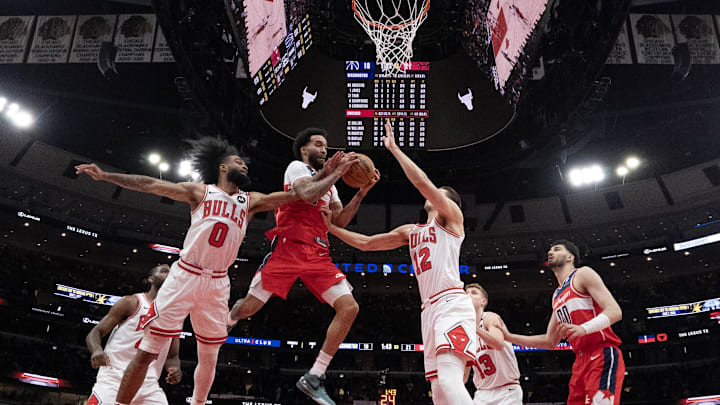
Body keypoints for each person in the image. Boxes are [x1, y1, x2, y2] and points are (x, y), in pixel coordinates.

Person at [76, 136, 316, 405]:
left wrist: (332, 173)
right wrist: (106, 176)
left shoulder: (251, 201)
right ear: (222, 167)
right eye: (238, 161)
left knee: (210, 354)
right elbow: (149, 184)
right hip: (186, 274)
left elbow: (300, 195)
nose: (245, 166)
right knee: (148, 351)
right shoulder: (200, 192)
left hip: (218, 281)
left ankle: (198, 403)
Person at [320, 120, 476, 405]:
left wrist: (392, 148)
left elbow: (421, 183)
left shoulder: (452, 218)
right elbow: (367, 244)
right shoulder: (411, 232)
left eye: (439, 193)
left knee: (451, 381)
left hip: (452, 303)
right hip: (428, 310)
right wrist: (332, 229)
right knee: (440, 392)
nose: (434, 194)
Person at [227, 128, 377, 405]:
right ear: (303, 149)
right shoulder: (296, 168)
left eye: (326, 145)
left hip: (318, 252)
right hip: (289, 246)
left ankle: (315, 375)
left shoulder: (331, 185)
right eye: (318, 145)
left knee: (350, 307)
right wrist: (335, 172)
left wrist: (361, 192)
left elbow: (340, 222)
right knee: (248, 308)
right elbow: (306, 194)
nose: (324, 149)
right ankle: (227, 320)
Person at [502, 240, 624, 405]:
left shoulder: (582, 274)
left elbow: (615, 312)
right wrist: (508, 337)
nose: (550, 252)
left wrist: (583, 328)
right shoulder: (556, 296)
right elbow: (549, 341)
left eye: (557, 249)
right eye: (549, 250)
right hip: (580, 361)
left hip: (601, 353)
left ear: (570, 257)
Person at [86, 264, 181, 405]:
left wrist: (175, 368)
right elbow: (95, 332)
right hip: (114, 378)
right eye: (164, 271)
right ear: (151, 279)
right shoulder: (132, 302)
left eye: (171, 272)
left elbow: (172, 355)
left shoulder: (174, 315)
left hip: (148, 385)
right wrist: (97, 350)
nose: (169, 274)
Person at [463, 283, 522, 405]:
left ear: (483, 302)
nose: (468, 295)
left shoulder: (490, 318)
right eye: (466, 293)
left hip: (507, 391)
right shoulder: (465, 333)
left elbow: (498, 343)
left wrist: (474, 329)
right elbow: (464, 377)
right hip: (482, 394)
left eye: (473, 293)